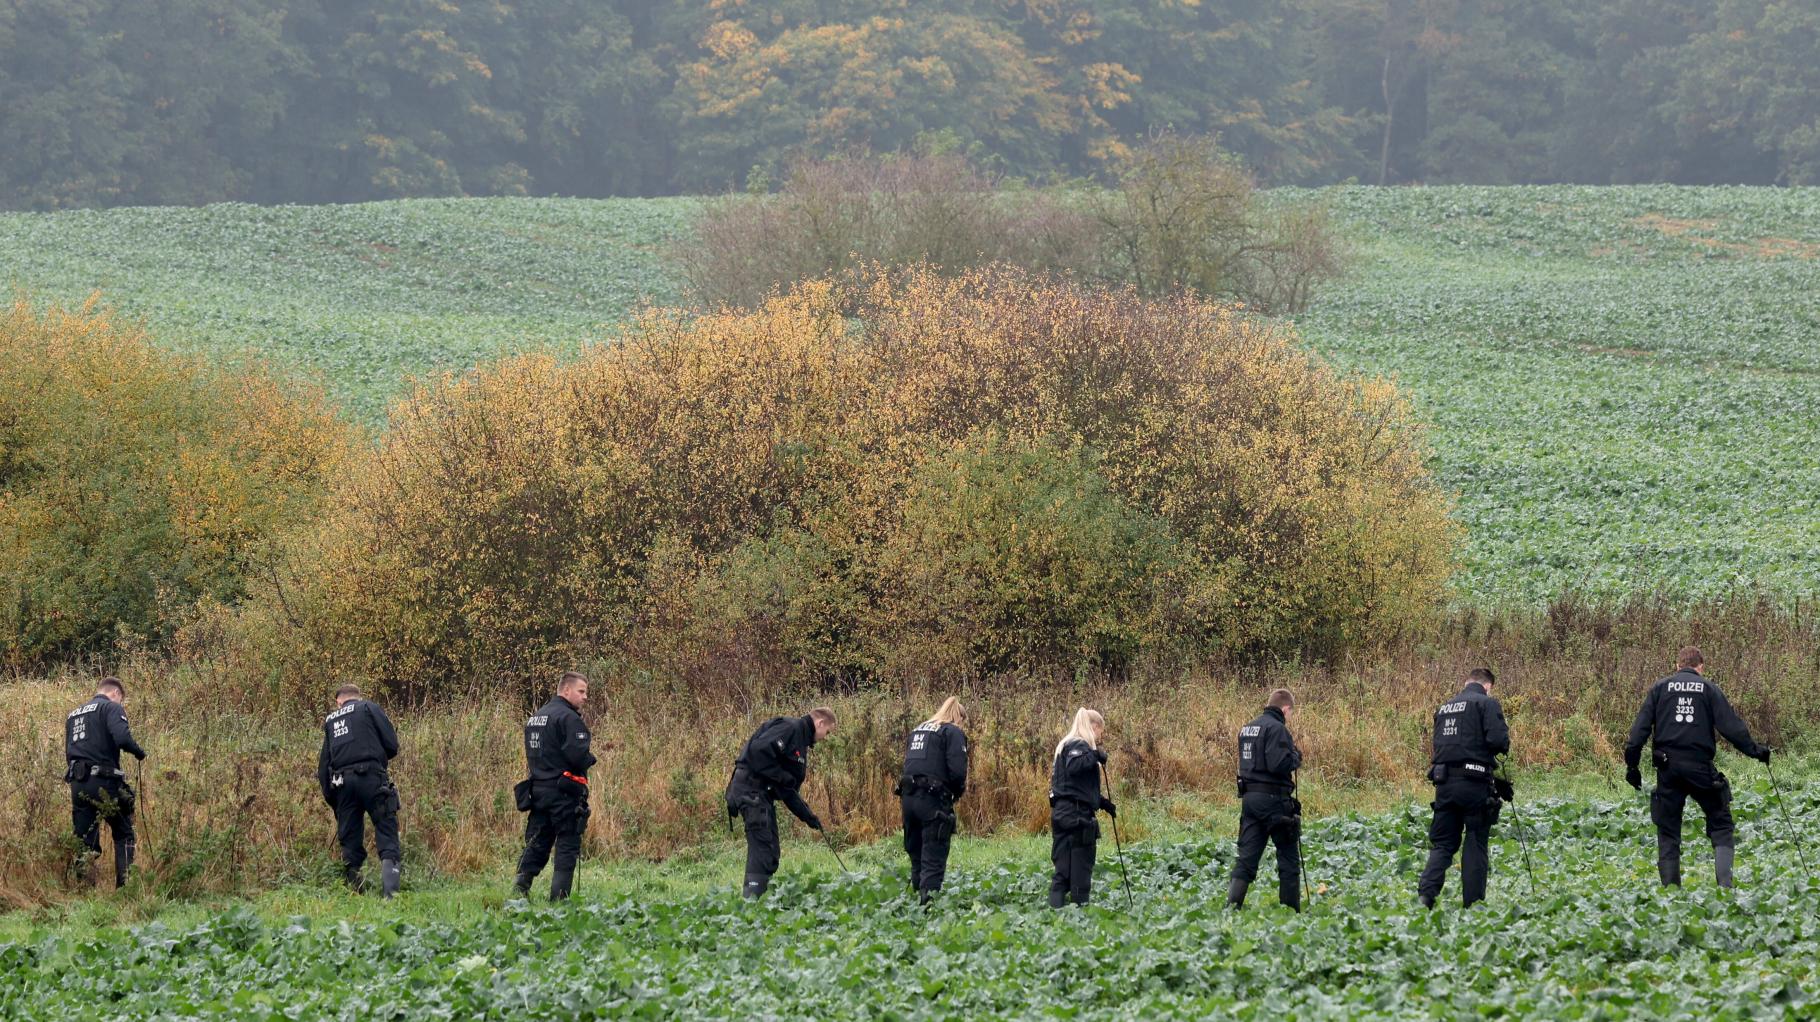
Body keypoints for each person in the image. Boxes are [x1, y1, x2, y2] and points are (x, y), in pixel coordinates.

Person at [1624, 646, 1769, 889]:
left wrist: (1632, 766)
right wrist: (1756, 751)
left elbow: (1639, 731)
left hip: (1667, 769)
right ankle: (1725, 887)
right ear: (1700, 667)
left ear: (1677, 665)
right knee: (1721, 823)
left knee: (1668, 830)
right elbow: (1731, 728)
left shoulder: (1660, 688)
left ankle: (1672, 893)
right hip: (1700, 768)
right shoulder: (1709, 689)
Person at [1416, 668, 1510, 908]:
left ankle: (1425, 897)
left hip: (1444, 784)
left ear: (1466, 682)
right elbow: (1499, 741)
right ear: (1488, 686)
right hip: (1474, 785)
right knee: (1476, 839)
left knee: (1444, 844)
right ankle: (1473, 904)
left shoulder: (1445, 707)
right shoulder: (1486, 703)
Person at [725, 707, 837, 898]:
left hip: (760, 795)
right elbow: (758, 752)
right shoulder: (790, 728)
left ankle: (760, 899)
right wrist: (782, 776)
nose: (825, 737)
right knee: (763, 848)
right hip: (750, 791)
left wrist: (808, 817)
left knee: (771, 852)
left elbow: (788, 790)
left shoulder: (800, 741)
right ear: (820, 723)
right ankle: (751, 903)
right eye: (827, 732)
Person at [514, 671, 598, 901]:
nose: (585, 697)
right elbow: (577, 756)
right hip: (563, 792)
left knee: (537, 842)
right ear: (566, 690)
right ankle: (559, 901)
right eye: (581, 691)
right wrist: (590, 759)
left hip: (538, 791)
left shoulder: (536, 717)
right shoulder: (569, 718)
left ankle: (519, 891)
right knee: (567, 844)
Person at [317, 683, 402, 897]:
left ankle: (355, 893)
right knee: (386, 830)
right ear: (358, 696)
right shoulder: (368, 708)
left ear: (339, 701)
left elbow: (323, 767)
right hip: (372, 779)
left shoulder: (330, 721)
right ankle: (390, 895)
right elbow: (392, 744)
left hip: (342, 785)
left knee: (350, 838)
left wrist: (333, 800)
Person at [65, 677, 146, 889]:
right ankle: (125, 889)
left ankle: (85, 891)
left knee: (85, 841)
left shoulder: (73, 715)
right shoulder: (111, 708)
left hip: (78, 784)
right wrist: (139, 752)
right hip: (104, 781)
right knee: (124, 833)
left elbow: (70, 753)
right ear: (116, 694)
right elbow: (122, 739)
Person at [1227, 689, 1303, 911]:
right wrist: (1295, 758)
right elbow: (1278, 764)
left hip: (1250, 801)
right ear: (1285, 709)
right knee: (1288, 856)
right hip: (1274, 802)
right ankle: (1290, 911)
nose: (1290, 718)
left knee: (1246, 858)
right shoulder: (1277, 729)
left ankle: (1231, 909)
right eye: (1291, 713)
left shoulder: (1247, 728)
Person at [897, 697, 969, 903]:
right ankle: (928, 909)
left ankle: (915, 902)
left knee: (917, 854)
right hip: (933, 802)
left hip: (908, 799)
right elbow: (957, 772)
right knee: (933, 856)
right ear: (959, 717)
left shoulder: (918, 730)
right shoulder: (952, 731)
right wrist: (956, 794)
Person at [1048, 707, 1116, 908]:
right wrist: (1095, 755)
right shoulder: (1078, 744)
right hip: (1077, 819)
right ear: (1094, 727)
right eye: (1100, 732)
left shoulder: (1064, 745)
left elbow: (1075, 787)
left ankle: (1054, 915)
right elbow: (1075, 766)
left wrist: (1103, 803)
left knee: (1062, 873)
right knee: (1080, 873)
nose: (1100, 737)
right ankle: (1079, 919)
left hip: (1062, 814)